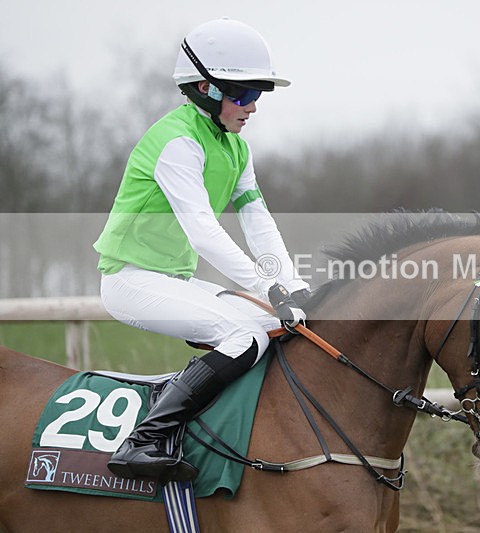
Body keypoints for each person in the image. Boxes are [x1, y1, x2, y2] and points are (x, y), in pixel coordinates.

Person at [93, 17, 310, 482]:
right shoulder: (176, 142)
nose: (252, 107)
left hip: (171, 280)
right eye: (244, 95)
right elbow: (204, 233)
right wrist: (265, 284)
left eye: (258, 95)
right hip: (129, 282)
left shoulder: (235, 148)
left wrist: (291, 283)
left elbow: (258, 220)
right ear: (205, 89)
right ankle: (143, 440)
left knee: (279, 325)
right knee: (245, 336)